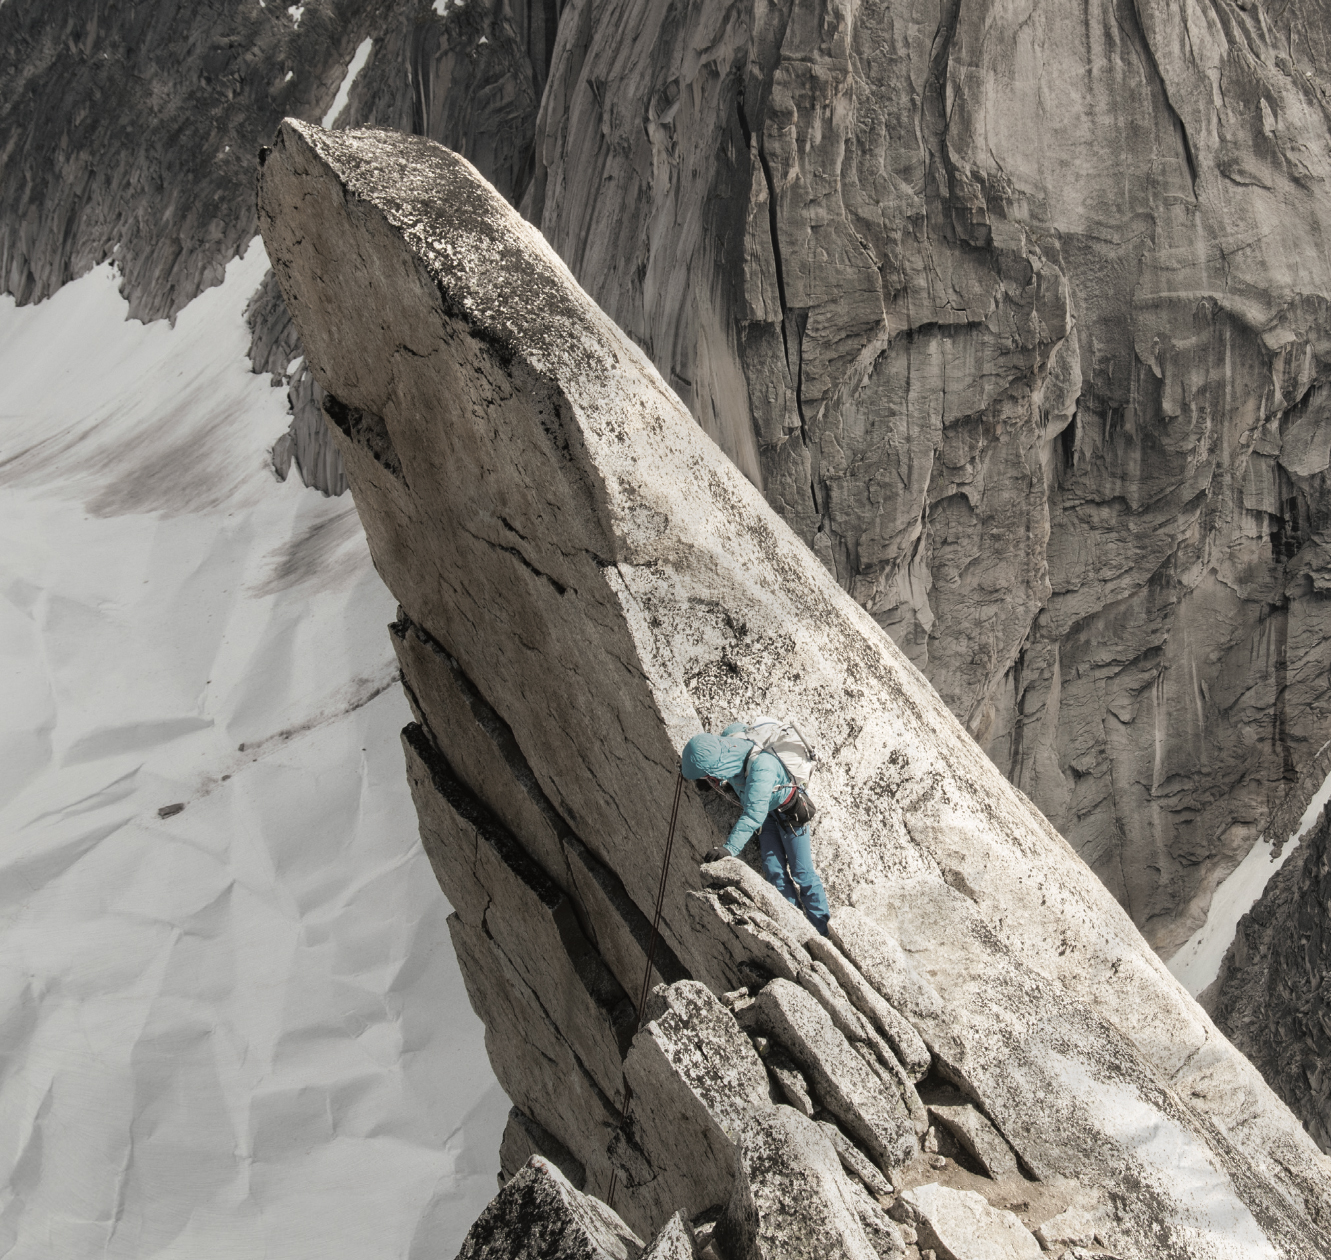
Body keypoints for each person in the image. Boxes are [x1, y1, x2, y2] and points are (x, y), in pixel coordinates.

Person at [680, 723, 830, 936]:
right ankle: (798, 931)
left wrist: (729, 849)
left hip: (789, 813)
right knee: (774, 871)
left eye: (707, 776)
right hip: (768, 814)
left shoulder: (762, 768)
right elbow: (733, 734)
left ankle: (822, 933)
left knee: (802, 873)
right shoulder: (729, 744)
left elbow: (753, 814)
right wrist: (699, 773)